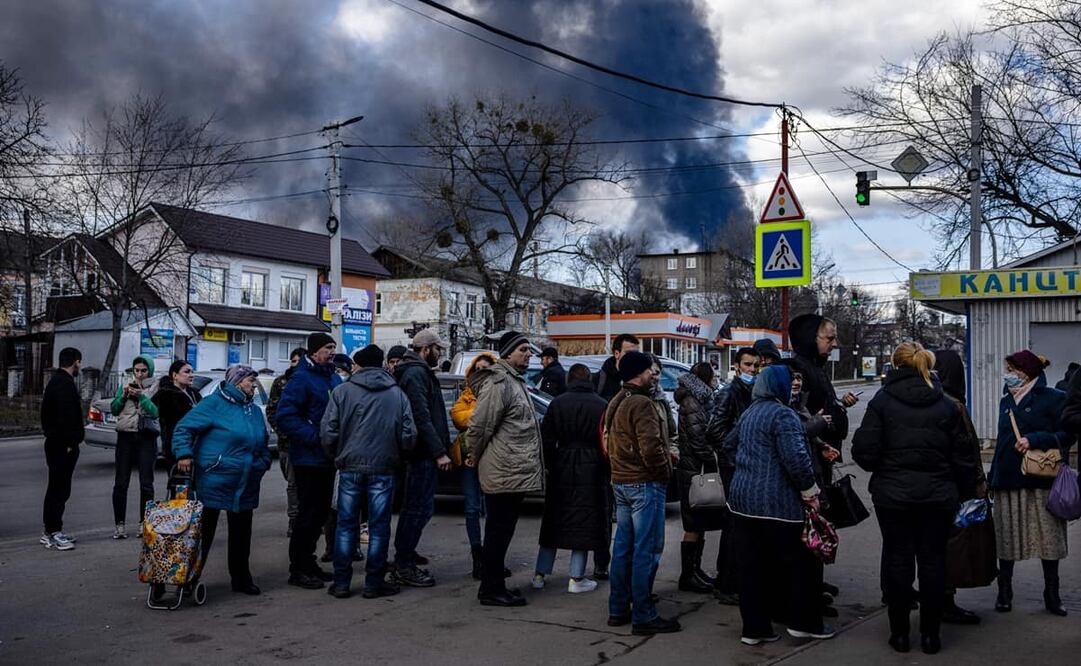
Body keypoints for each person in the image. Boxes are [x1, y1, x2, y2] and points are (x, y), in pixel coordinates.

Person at [852, 342, 980, 655]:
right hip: (938, 497)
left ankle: (899, 634)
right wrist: (962, 493)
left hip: (893, 496)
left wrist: (885, 466)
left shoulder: (882, 401)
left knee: (898, 561)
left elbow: (864, 452)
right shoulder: (946, 404)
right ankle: (930, 636)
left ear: (895, 365)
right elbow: (963, 456)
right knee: (933, 562)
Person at [728, 364, 832, 645]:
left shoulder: (750, 412)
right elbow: (796, 460)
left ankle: (755, 629)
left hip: (742, 502)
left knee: (752, 568)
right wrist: (811, 491)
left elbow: (728, 444)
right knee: (802, 564)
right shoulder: (783, 415)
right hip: (778, 504)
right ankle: (804, 623)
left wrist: (748, 467)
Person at [321, 345, 416, 599]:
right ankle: (374, 583)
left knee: (345, 525)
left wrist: (337, 455)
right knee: (379, 526)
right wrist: (399, 455)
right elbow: (409, 435)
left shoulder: (342, 392)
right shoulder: (397, 394)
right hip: (384, 467)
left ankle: (341, 583)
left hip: (349, 466)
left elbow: (328, 431)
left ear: (359, 365)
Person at [173, 365, 271, 596]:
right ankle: (187, 577)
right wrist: (184, 454)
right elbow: (183, 428)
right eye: (250, 380)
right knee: (202, 534)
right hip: (215, 479)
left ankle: (241, 578)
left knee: (241, 534)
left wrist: (262, 463)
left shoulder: (254, 410)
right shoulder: (214, 404)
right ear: (237, 382)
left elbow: (264, 441)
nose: (254, 385)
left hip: (246, 481)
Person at [989, 350, 1071, 616]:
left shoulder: (1055, 398)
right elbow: (1002, 441)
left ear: (1026, 372)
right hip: (1008, 477)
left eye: (1012, 369)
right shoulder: (1006, 400)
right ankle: (1005, 591)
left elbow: (1067, 434)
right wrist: (992, 478)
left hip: (1041, 478)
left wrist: (1035, 439)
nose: (1008, 374)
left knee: (1048, 538)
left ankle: (1052, 593)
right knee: (1007, 537)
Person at [603, 350, 681, 635]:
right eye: (650, 370)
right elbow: (651, 447)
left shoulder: (617, 400)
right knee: (645, 550)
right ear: (640, 372)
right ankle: (644, 615)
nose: (654, 375)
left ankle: (618, 608)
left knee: (624, 548)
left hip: (621, 482)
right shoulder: (642, 403)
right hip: (643, 483)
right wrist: (663, 473)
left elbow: (608, 439)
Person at [466, 331, 544, 607]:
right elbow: (481, 424)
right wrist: (472, 455)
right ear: (508, 353)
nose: (529, 354)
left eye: (529, 350)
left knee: (503, 530)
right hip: (502, 468)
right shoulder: (499, 382)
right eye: (523, 349)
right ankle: (491, 589)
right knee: (498, 531)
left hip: (511, 469)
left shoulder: (513, 380)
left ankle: (494, 583)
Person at [533, 363, 609, 594]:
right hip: (592, 465)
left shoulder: (557, 403)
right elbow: (607, 440)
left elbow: (545, 438)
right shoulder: (601, 404)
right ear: (589, 379)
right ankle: (576, 577)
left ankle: (539, 574)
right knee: (584, 521)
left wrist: (550, 463)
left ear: (569, 379)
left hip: (562, 463)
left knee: (553, 520)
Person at [276, 332, 342, 590]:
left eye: (334, 347)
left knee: (321, 513)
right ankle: (299, 567)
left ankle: (310, 561)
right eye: (328, 347)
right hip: (308, 458)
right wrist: (316, 437)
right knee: (308, 513)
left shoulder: (333, 377)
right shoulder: (301, 379)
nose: (332, 351)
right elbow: (286, 416)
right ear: (314, 351)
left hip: (328, 458)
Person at [392, 329, 453, 588]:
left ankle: (406, 555)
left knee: (417, 507)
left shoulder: (416, 371)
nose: (440, 353)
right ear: (426, 349)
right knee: (418, 507)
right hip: (421, 453)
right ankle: (403, 563)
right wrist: (438, 451)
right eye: (438, 349)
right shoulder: (416, 373)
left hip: (422, 451)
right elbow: (421, 416)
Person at [932, 349, 985, 626]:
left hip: (928, 488)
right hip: (951, 488)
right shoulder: (953, 405)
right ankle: (945, 603)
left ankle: (939, 600)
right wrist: (975, 485)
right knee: (950, 549)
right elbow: (965, 451)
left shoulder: (935, 399)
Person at [713, 346, 759, 603]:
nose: (751, 370)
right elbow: (715, 430)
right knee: (732, 525)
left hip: (744, 465)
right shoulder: (730, 393)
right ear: (737, 366)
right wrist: (734, 450)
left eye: (754, 365)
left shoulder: (751, 392)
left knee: (741, 526)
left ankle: (734, 580)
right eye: (747, 365)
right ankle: (726, 583)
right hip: (733, 465)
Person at [674, 362, 724, 594]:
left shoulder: (699, 398)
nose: (716, 378)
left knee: (699, 519)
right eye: (713, 374)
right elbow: (697, 437)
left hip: (695, 466)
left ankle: (695, 570)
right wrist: (714, 458)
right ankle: (688, 574)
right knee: (693, 521)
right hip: (694, 469)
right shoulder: (692, 401)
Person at [450, 352, 498, 580]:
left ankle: (492, 557)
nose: (480, 373)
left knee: (492, 509)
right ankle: (477, 554)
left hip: (492, 459)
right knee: (472, 508)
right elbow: (458, 417)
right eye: (477, 368)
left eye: (485, 369)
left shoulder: (498, 393)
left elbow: (497, 419)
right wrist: (482, 414)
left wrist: (477, 416)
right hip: (468, 460)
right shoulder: (466, 395)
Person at [109, 354, 159, 540]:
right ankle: (119, 525)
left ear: (150, 371)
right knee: (121, 483)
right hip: (126, 437)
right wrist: (123, 396)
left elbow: (155, 412)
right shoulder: (125, 385)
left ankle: (143, 523)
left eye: (143, 370)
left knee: (146, 483)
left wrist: (141, 397)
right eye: (136, 370)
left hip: (146, 437)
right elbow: (114, 409)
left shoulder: (155, 387)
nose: (139, 374)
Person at [40, 347, 84, 551]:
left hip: (57, 443)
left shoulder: (56, 382)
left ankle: (51, 531)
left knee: (58, 489)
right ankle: (53, 532)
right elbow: (66, 418)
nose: (80, 367)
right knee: (59, 489)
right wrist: (69, 443)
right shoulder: (64, 384)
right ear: (75, 361)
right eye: (79, 363)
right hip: (62, 446)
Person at [267, 347, 306, 537]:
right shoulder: (281, 382)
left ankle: (297, 519)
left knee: (298, 483)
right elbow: (272, 411)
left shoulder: (310, 381)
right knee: (291, 482)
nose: (296, 365)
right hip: (287, 443)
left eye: (299, 361)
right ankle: (295, 517)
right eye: (293, 361)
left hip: (306, 443)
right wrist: (284, 433)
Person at [153, 360, 201, 466]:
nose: (191, 375)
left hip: (195, 444)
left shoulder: (194, 393)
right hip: (175, 444)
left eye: (192, 372)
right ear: (175, 375)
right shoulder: (165, 394)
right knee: (178, 479)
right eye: (187, 372)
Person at [596, 333, 640, 401]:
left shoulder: (642, 380)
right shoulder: (598, 381)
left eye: (636, 354)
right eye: (629, 353)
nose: (634, 357)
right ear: (617, 354)